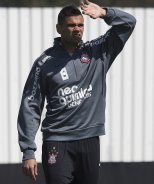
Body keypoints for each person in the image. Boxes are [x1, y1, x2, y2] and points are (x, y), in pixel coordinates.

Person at [17, 0, 136, 183]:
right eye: (71, 25)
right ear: (59, 28)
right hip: (57, 141)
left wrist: (105, 12)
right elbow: (30, 105)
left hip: (89, 139)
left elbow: (128, 23)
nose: (77, 29)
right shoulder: (44, 63)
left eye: (80, 25)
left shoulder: (98, 51)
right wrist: (28, 150)